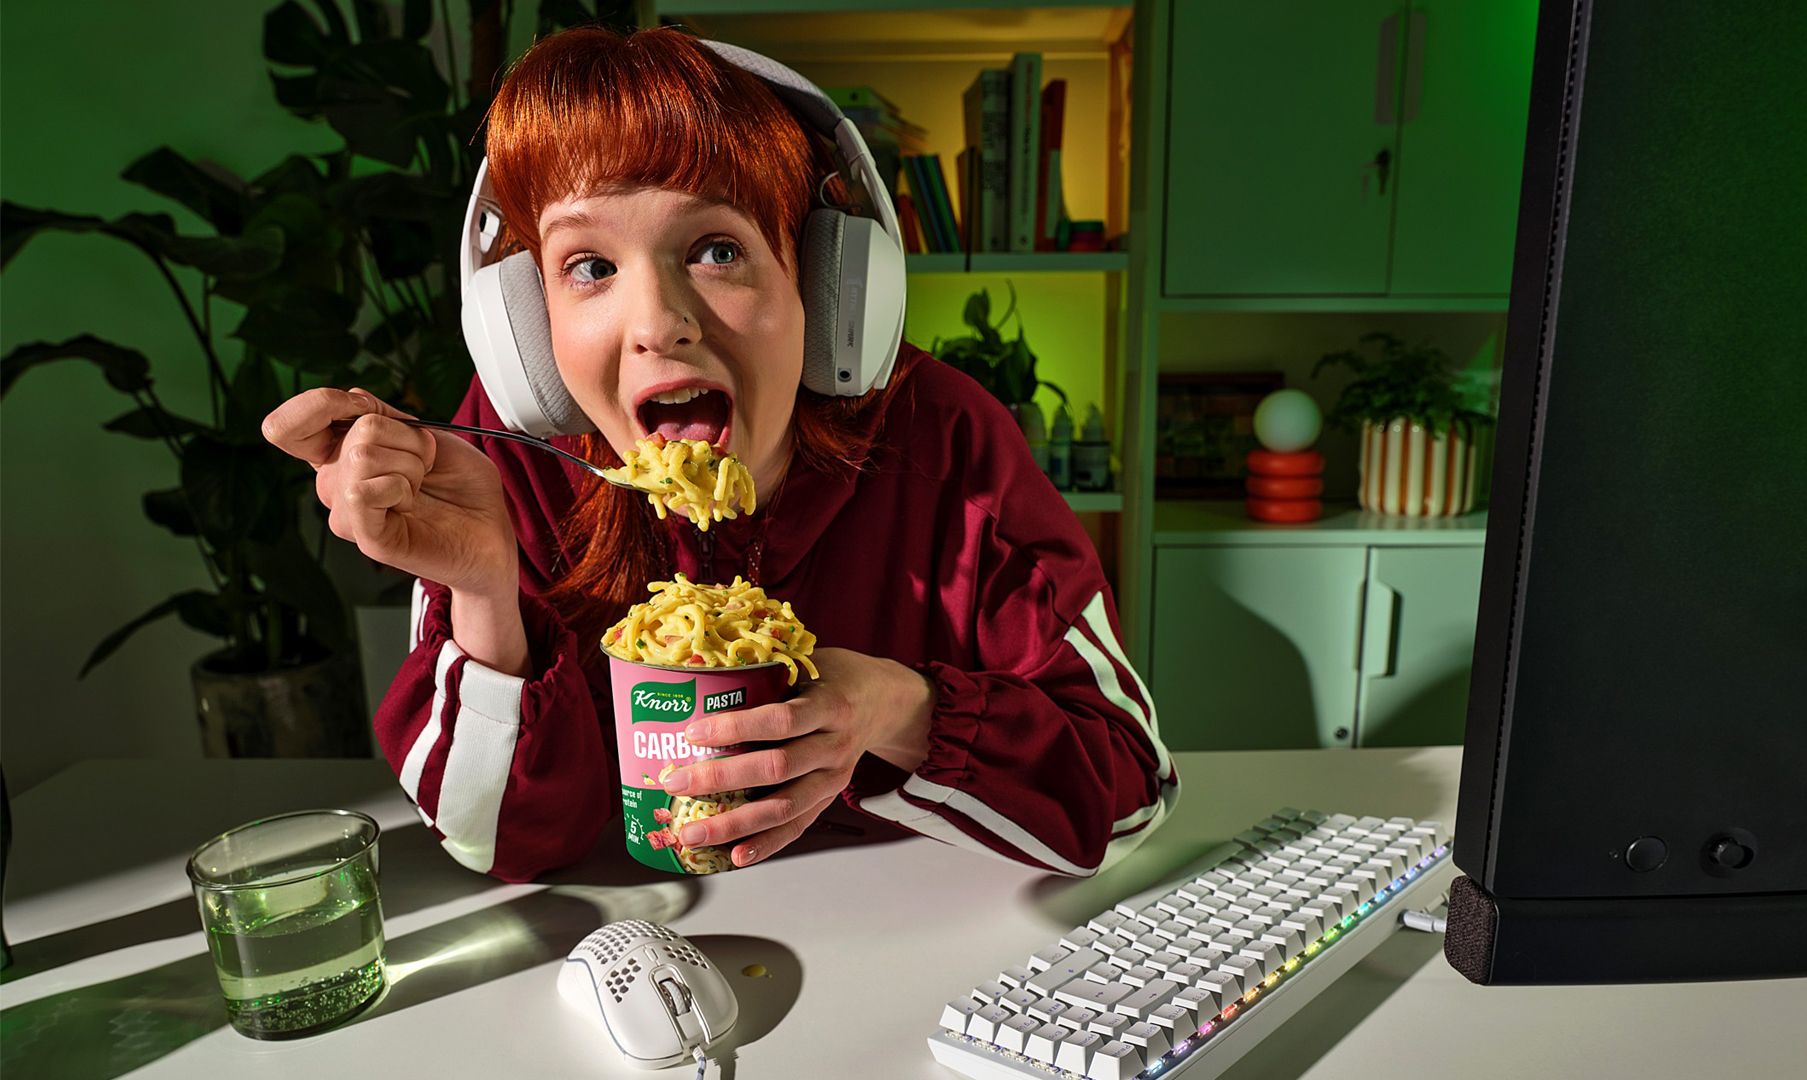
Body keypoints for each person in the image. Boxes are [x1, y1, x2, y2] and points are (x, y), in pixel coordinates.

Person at [261, 26, 1174, 883]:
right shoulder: (509, 460)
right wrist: (485, 593)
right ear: (527, 330)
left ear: (823, 284)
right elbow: (489, 842)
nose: (659, 325)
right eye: (589, 267)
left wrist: (900, 709)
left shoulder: (944, 436)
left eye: (714, 249)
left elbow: (1130, 791)